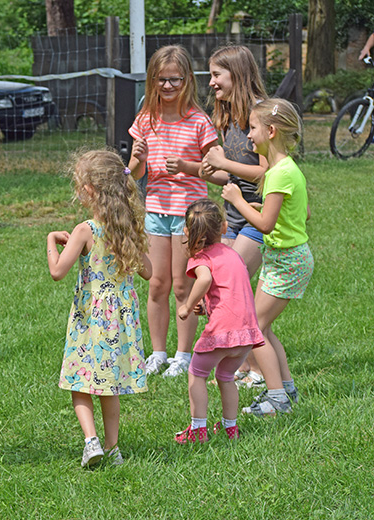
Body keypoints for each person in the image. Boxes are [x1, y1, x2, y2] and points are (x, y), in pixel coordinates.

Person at [47, 149, 152, 468]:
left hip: (91, 316)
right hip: (119, 317)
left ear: (89, 190)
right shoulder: (125, 228)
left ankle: (90, 441)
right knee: (109, 383)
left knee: (80, 379)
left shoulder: (85, 230)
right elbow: (148, 271)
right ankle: (113, 448)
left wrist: (51, 240)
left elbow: (57, 271)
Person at [127, 45, 218, 377]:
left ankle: (183, 355)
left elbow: (217, 170)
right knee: (156, 283)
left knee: (183, 286)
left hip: (187, 215)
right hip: (156, 211)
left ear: (188, 80)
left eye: (174, 80)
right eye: (161, 80)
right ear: (153, 80)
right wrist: (137, 157)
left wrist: (187, 166)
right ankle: (158, 352)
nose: (167, 87)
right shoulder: (145, 119)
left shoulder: (198, 121)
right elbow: (135, 173)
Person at [221, 98, 313, 416]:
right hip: (282, 258)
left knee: (255, 327)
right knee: (262, 325)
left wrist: (238, 198)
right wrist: (266, 206)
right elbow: (304, 212)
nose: (248, 135)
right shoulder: (284, 169)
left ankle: (276, 399)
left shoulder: (279, 173)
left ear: (271, 131)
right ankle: (285, 390)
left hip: (287, 261)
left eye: (254, 128)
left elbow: (265, 225)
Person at [200, 44, 269, 388]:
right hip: (234, 216)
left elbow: (268, 171)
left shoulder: (260, 115)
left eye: (216, 74)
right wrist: (206, 170)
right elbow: (233, 177)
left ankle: (258, 372)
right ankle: (240, 368)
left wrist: (224, 162)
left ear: (236, 75)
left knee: (232, 291)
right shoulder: (228, 115)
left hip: (258, 217)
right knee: (223, 293)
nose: (211, 82)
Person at [174, 198, 264, 444]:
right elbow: (228, 288)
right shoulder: (233, 254)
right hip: (246, 334)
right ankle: (230, 428)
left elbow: (203, 280)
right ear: (224, 227)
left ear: (187, 232)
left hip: (223, 332)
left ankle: (198, 430)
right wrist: (208, 304)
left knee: (197, 373)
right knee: (225, 377)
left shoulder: (202, 258)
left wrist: (187, 306)